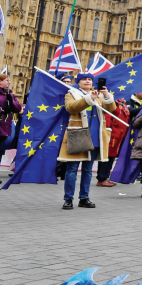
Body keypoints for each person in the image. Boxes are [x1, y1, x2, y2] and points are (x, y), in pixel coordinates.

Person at [58, 73, 116, 210]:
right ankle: (68, 199)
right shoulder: (71, 93)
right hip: (78, 135)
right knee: (72, 169)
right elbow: (71, 107)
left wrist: (106, 96)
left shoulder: (98, 95)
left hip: (94, 136)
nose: (88, 81)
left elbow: (111, 109)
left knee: (88, 170)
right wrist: (89, 99)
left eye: (90, 79)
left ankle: (84, 198)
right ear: (78, 82)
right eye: (84, 79)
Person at [96, 97, 130, 187]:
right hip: (112, 134)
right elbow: (107, 116)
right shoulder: (112, 103)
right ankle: (101, 178)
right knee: (107, 155)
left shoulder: (122, 104)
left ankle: (106, 176)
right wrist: (108, 129)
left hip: (119, 135)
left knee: (112, 156)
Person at [0, 74, 23, 144]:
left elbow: (18, 109)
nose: (9, 82)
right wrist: (2, 110)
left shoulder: (10, 93)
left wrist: (11, 101)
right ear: (0, 81)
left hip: (5, 128)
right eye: (7, 80)